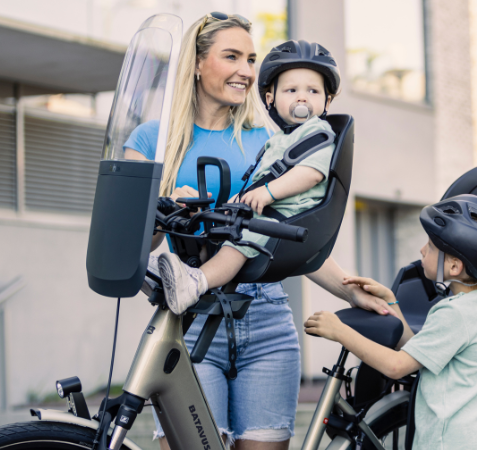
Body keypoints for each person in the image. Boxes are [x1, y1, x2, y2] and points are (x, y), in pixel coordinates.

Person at [123, 12, 394, 450]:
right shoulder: (151, 141)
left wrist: (349, 291)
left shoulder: (267, 141)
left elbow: (289, 232)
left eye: (250, 59)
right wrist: (164, 208)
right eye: (231, 56)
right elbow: (136, 245)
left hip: (266, 320)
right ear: (196, 63)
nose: (246, 71)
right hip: (189, 324)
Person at [304, 194, 477, 450]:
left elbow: (398, 366)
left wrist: (340, 332)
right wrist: (391, 302)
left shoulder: (455, 314)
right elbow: (419, 349)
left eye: (430, 246)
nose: (422, 249)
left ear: (454, 266)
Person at [157, 39, 340, 316]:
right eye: (292, 90)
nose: (302, 97)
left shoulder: (317, 132)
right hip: (272, 210)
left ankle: (197, 283)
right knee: (218, 229)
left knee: (241, 240)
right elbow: (258, 179)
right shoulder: (279, 138)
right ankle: (176, 278)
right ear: (271, 99)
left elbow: (310, 174)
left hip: (286, 213)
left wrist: (268, 192)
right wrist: (235, 202)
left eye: (313, 91)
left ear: (326, 101)